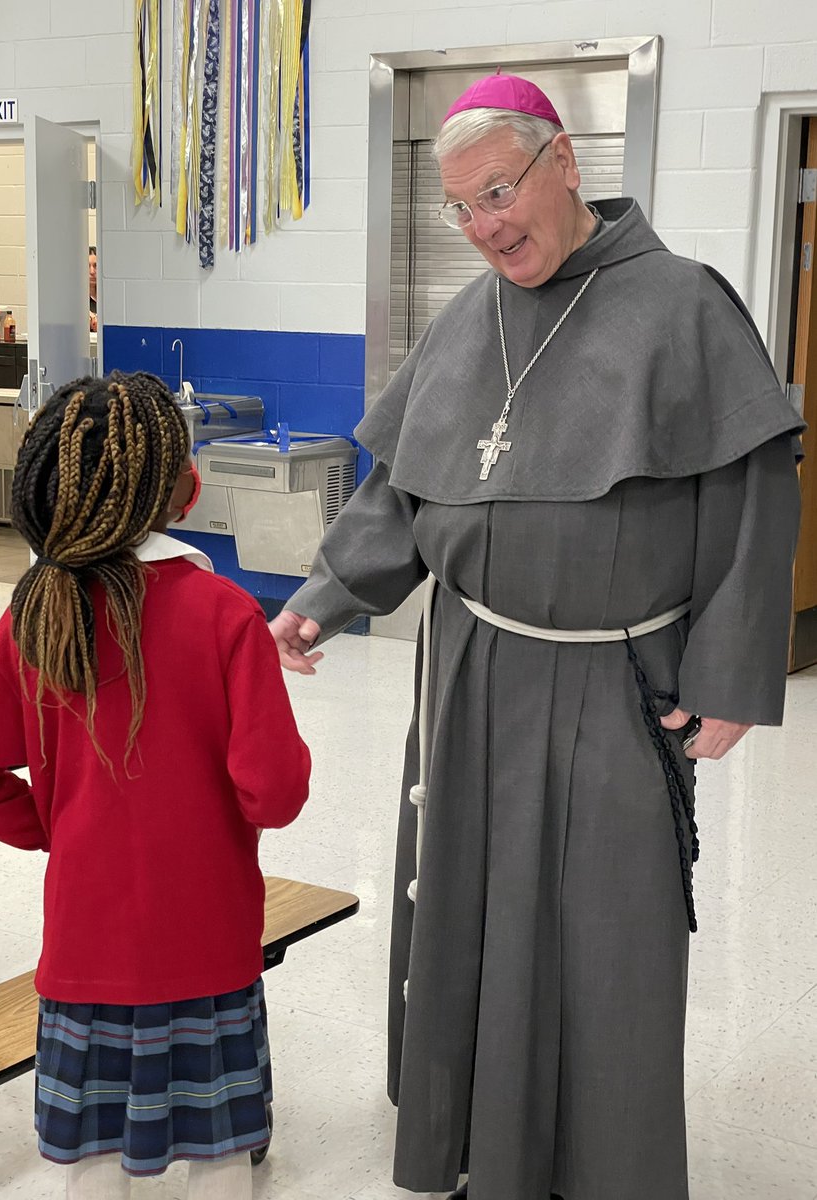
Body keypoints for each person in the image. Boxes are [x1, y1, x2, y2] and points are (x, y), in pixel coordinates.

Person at [269, 74, 804, 1200]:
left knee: (606, 936)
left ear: (565, 163)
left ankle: (604, 1165)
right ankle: (473, 1145)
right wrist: (327, 591)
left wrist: (731, 677)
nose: (485, 228)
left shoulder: (683, 304)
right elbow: (403, 492)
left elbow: (757, 500)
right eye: (460, 209)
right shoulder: (467, 315)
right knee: (461, 911)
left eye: (501, 193)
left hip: (619, 681)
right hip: (470, 670)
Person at [0, 371, 310, 1200]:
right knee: (216, 1156)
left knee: (91, 1163)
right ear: (185, 490)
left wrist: (57, 826)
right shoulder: (225, 614)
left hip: (84, 951)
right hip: (208, 949)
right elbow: (275, 793)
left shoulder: (33, 615)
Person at [89, 245, 98, 332]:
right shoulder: (76, 302)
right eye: (88, 266)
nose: (92, 271)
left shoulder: (108, 298)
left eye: (96, 266)